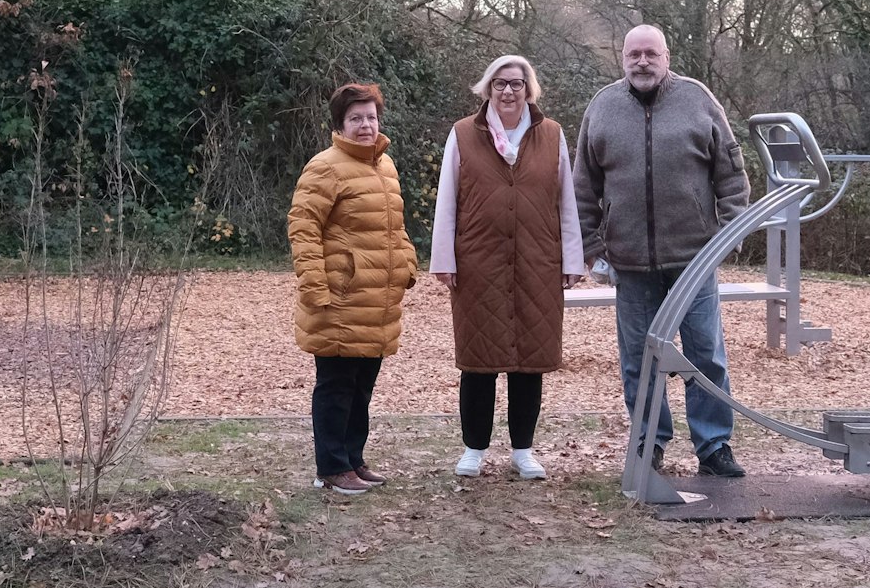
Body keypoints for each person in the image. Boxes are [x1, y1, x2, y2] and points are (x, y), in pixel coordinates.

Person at [574, 25, 749, 478]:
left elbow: (731, 174)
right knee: (639, 360)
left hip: (694, 260)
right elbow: (583, 186)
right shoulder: (602, 107)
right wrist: (592, 247)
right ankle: (649, 442)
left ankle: (714, 446)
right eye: (634, 54)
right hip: (630, 263)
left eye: (651, 53)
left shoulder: (697, 100)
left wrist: (731, 233)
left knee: (705, 355)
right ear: (622, 58)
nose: (643, 61)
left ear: (666, 57)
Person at [429, 55, 585, 480]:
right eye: (500, 83)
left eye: (516, 83)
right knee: (478, 360)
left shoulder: (552, 135)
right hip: (479, 263)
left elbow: (566, 202)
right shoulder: (463, 134)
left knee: (529, 362)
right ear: (488, 89)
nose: (508, 91)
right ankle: (474, 448)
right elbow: (447, 199)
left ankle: (523, 451)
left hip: (538, 262)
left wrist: (572, 258)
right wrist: (444, 258)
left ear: (528, 90)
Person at [288, 82, 420, 496]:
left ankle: (352, 459)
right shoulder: (325, 167)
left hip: (378, 299)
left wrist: (407, 265)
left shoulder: (385, 167)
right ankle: (331, 467)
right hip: (340, 299)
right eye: (356, 118)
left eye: (371, 117)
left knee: (362, 387)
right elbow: (303, 228)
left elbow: (395, 228)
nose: (366, 125)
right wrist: (314, 285)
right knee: (336, 387)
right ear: (340, 124)